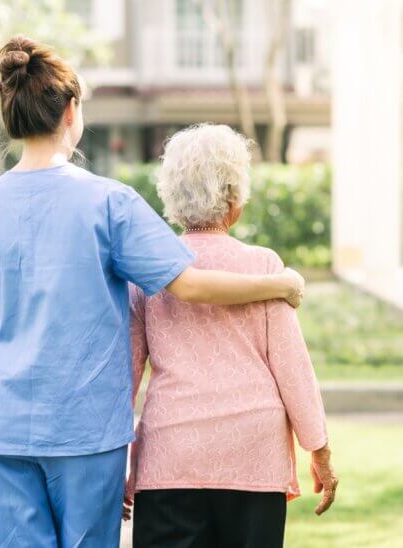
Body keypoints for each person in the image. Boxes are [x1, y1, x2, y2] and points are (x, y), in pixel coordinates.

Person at [0, 36, 305, 548]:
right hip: (85, 433)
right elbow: (189, 283)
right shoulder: (109, 202)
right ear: (72, 111)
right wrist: (278, 283)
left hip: (3, 430)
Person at [124, 123, 338, 548]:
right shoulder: (263, 267)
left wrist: (114, 465)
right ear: (234, 200)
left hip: (171, 456)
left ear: (171, 197)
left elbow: (123, 378)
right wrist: (320, 452)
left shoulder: (149, 273)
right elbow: (293, 369)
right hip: (253, 457)